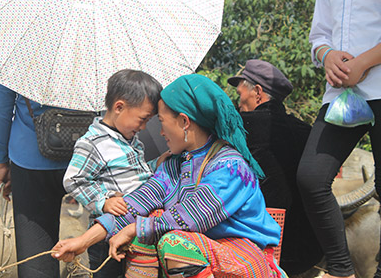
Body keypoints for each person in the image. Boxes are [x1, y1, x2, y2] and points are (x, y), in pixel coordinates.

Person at [53, 74, 287, 278]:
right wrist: (81, 242)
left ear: (184, 122)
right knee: (148, 223)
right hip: (201, 252)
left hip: (245, 256)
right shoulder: (173, 165)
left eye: (163, 123)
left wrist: (135, 229)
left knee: (171, 241)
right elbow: (134, 205)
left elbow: (192, 215)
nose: (160, 132)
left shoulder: (231, 166)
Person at [297, 0, 381, 277]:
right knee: (311, 178)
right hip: (343, 96)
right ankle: (341, 269)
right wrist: (327, 56)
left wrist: (363, 63)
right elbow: (319, 36)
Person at [63, 69, 163, 277]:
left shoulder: (131, 140)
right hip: (106, 235)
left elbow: (136, 176)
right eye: (142, 119)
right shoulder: (92, 143)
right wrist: (103, 202)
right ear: (119, 107)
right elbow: (73, 179)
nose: (144, 127)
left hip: (133, 228)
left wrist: (156, 164)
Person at [227, 59, 323, 274]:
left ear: (258, 92)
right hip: (308, 248)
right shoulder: (306, 131)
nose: (239, 103)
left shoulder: (242, 127)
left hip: (261, 249)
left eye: (240, 95)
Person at [0, 80, 71, 278]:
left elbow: (1, 107)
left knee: (36, 258)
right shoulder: (99, 51)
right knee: (99, 252)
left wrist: (1, 162)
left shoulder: (21, 52)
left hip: (31, 158)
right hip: (88, 155)